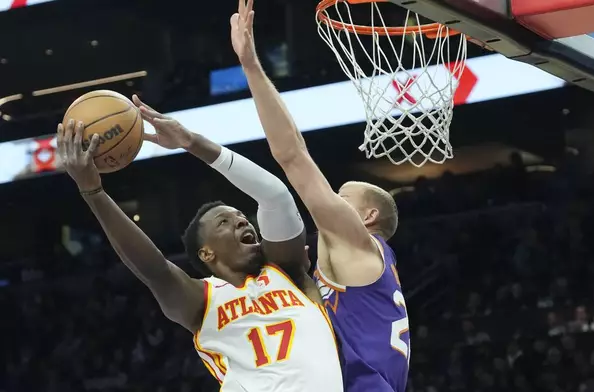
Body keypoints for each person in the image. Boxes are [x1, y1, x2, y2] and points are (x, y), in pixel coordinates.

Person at [56, 106, 343, 391]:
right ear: (207, 253)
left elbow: (276, 197)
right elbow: (154, 269)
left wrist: (192, 143)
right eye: (224, 222)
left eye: (241, 216)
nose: (241, 220)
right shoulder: (203, 300)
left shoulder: (286, 272)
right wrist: (93, 191)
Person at [230, 1, 410, 391]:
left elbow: (292, 155)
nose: (331, 197)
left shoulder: (359, 243)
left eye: (343, 196)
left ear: (367, 218)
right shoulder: (351, 264)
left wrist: (250, 65)